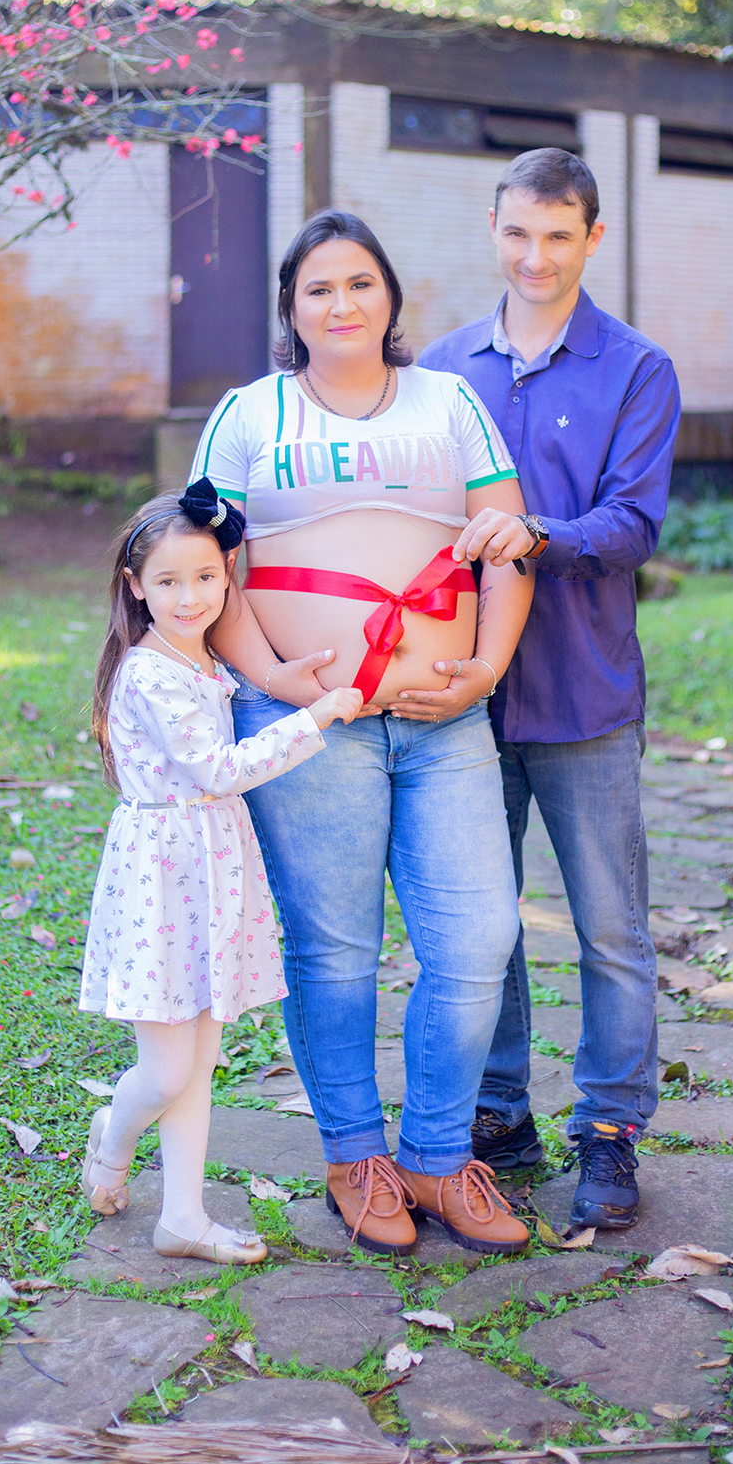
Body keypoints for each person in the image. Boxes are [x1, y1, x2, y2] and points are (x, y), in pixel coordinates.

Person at [189, 208, 534, 1258]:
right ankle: (355, 1157)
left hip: (444, 722)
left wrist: (487, 666)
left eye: (360, 285)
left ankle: (434, 1158)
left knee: (477, 943)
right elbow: (209, 568)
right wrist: (271, 676)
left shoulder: (451, 402)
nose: (342, 304)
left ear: (390, 299)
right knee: (336, 952)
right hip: (305, 729)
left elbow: (506, 547)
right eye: (318, 290)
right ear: (292, 311)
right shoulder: (250, 414)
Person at [416, 147, 681, 1232]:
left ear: (593, 239)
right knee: (487, 925)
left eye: (559, 236)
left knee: (610, 927)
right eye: (518, 233)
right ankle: (499, 1116)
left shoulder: (635, 369)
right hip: (460, 699)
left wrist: (536, 534)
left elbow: (632, 525)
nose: (536, 256)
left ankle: (610, 1134)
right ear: (493, 228)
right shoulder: (438, 369)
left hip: (584, 699)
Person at [77, 476, 363, 1264]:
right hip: (162, 875)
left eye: (206, 576)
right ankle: (112, 1133)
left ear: (225, 577)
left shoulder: (200, 662)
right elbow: (215, 770)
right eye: (168, 581)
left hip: (210, 867)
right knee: (167, 1068)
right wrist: (317, 715)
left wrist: (286, 678)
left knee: (199, 1059)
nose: (190, 595)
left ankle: (183, 1218)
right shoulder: (148, 670)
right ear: (135, 589)